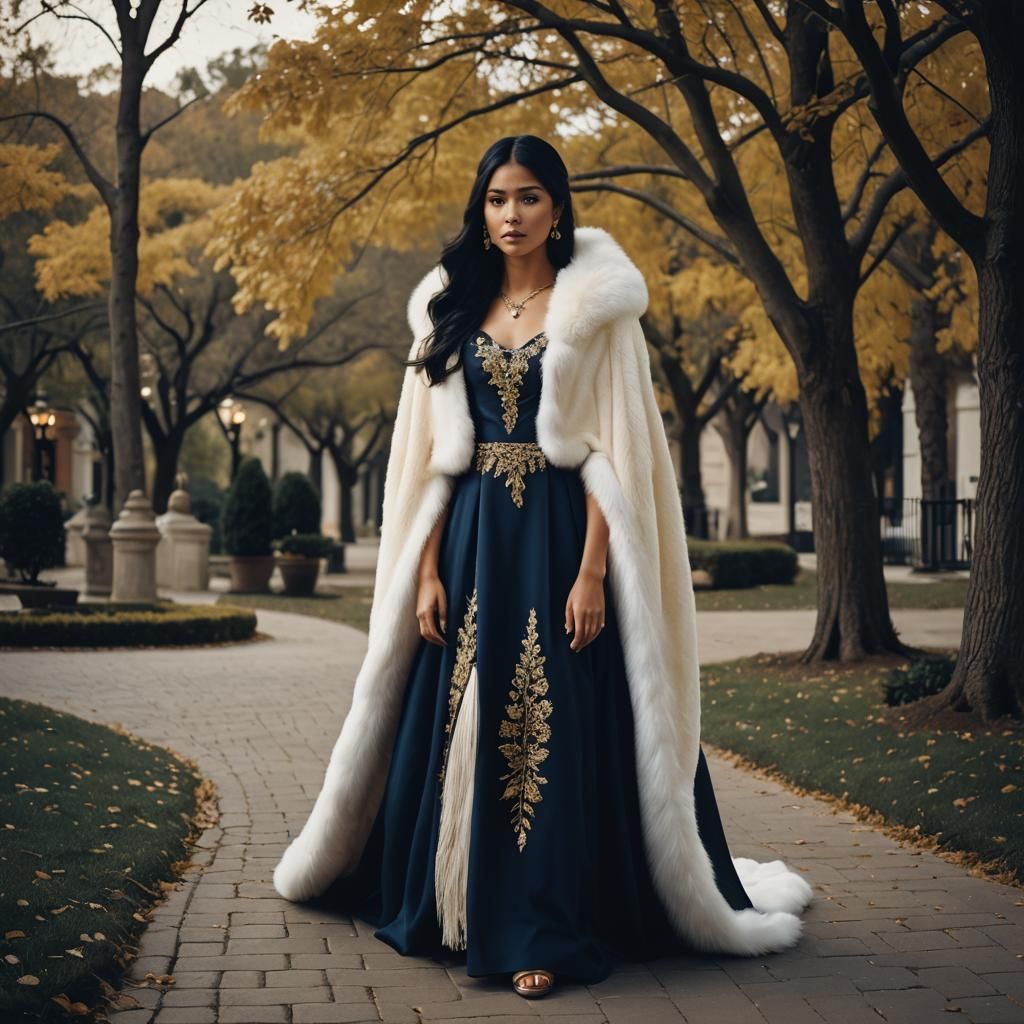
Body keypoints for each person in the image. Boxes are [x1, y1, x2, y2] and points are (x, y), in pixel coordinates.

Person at [271, 135, 813, 999]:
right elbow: (426, 462)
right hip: (473, 534)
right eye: (496, 199)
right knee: (459, 717)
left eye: (527, 197)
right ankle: (451, 904)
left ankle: (539, 928)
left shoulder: (596, 309)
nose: (511, 214)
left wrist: (594, 569)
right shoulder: (448, 310)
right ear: (479, 212)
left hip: (563, 536)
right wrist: (424, 569)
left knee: (549, 717)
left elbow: (619, 453)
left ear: (557, 207)